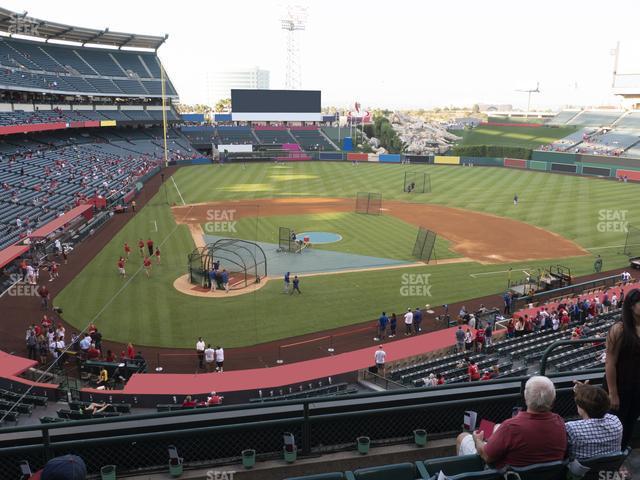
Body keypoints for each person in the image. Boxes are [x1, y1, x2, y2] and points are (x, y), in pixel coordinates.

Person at [456, 376, 566, 469]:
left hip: (503, 473)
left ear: (526, 397)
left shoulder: (511, 426)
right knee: (496, 427)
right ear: (552, 400)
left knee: (462, 436)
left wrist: (478, 440)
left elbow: (486, 456)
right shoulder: (559, 422)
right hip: (547, 475)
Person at [605, 288, 640, 448]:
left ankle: (621, 456)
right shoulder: (619, 329)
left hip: (637, 387)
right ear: (632, 306)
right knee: (615, 426)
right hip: (620, 387)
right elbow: (610, 362)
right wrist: (613, 393)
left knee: (630, 423)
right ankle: (612, 460)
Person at [566, 381, 623, 460]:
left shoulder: (571, 428)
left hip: (581, 471)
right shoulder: (615, 421)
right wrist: (585, 391)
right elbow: (599, 403)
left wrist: (584, 392)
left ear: (582, 408)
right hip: (608, 468)